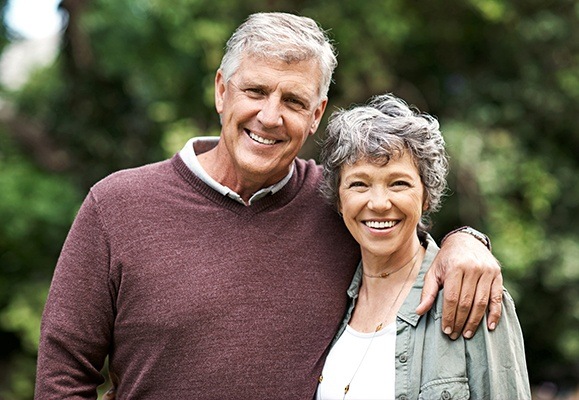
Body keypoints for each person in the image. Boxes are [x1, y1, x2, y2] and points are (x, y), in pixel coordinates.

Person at [35, 12, 503, 399]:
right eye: (255, 91)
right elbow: (63, 377)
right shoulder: (117, 206)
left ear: (316, 115)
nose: (271, 116)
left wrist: (465, 242)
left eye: (294, 100)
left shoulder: (338, 203)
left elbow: (406, 246)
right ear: (222, 91)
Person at [315, 93, 530, 400]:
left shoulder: (469, 296)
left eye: (398, 183)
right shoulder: (327, 301)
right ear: (338, 199)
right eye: (359, 184)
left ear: (427, 195)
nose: (378, 203)